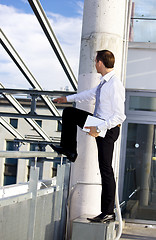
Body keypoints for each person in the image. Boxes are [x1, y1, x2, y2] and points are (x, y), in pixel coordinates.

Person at [50, 50, 126, 223]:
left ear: (100, 62)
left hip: (107, 128)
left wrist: (99, 128)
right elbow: (89, 95)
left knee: (105, 169)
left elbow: (120, 116)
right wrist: (66, 99)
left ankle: (108, 212)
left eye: (95, 60)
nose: (94, 63)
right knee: (69, 113)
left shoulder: (114, 85)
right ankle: (70, 150)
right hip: (98, 123)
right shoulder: (103, 84)